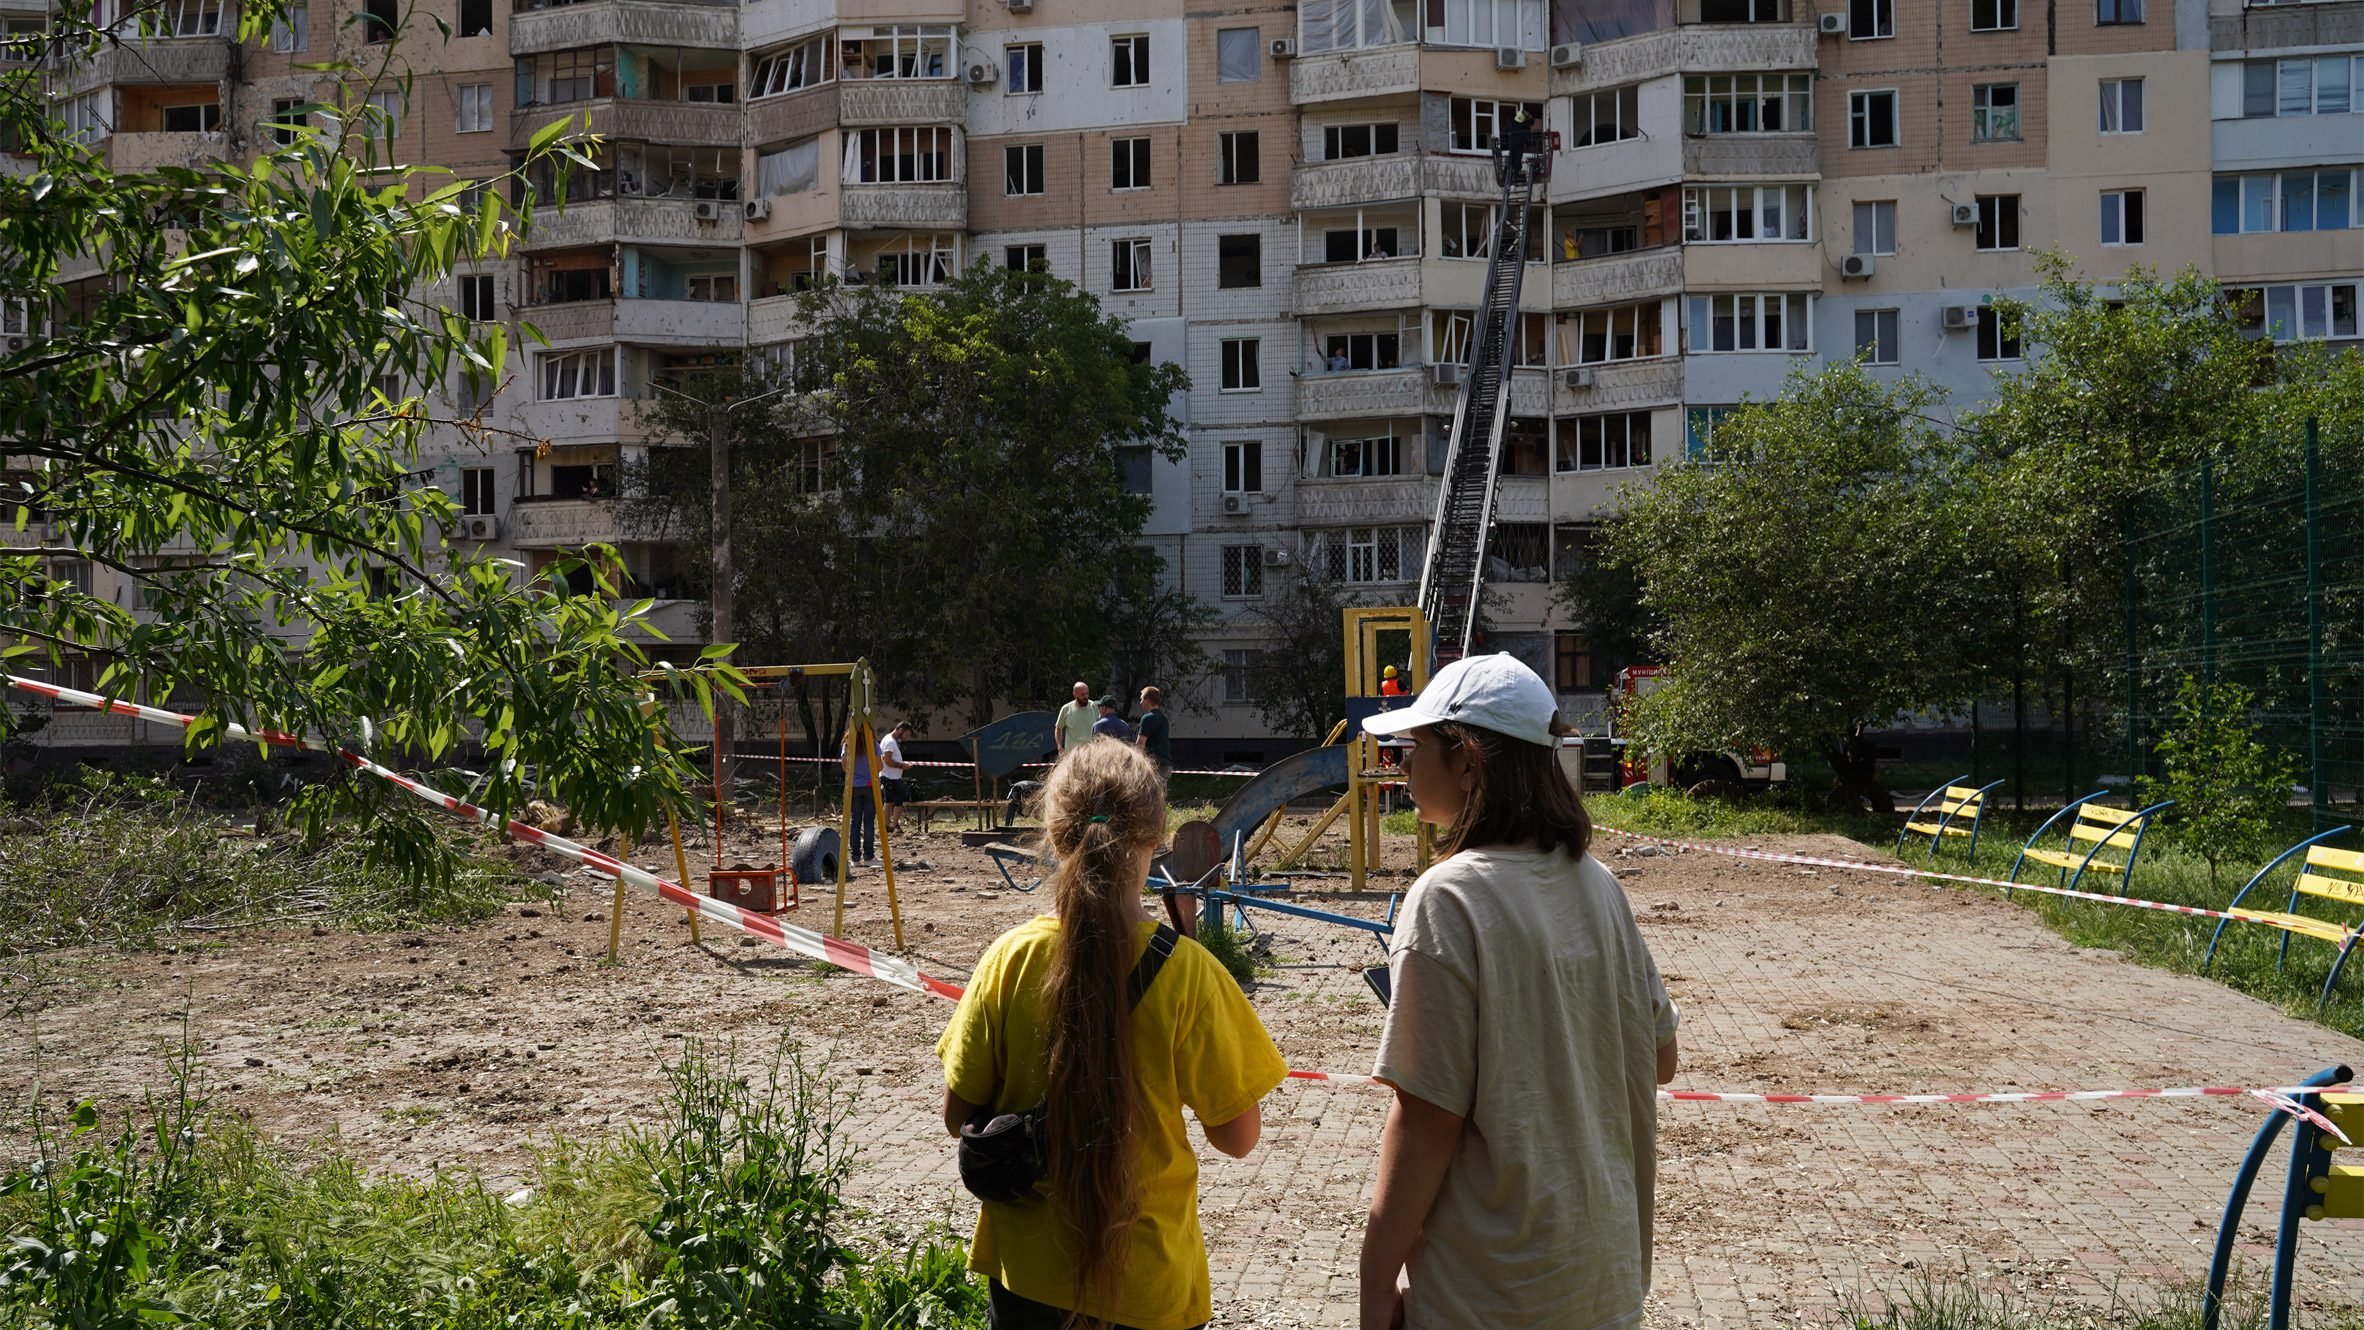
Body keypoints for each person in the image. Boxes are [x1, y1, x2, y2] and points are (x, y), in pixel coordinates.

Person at [1355, 653, 1679, 1330]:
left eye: (1415, 748)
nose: (1403, 768)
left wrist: (1375, 1282)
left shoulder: (1448, 898)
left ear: (1467, 760)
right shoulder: (1600, 886)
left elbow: (1426, 1121)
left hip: (1492, 1294)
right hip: (1602, 1281)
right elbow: (1659, 1059)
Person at [937, 741, 1290, 1330]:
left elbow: (958, 1116)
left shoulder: (1010, 959)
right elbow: (1238, 1137)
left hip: (1028, 1279)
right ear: (1156, 840)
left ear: (1054, 835)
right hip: (1149, 1282)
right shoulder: (1190, 973)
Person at [841, 731, 876, 865]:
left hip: (853, 786)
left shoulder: (847, 745)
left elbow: (845, 767)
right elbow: (879, 766)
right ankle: (868, 855)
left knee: (855, 821)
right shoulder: (872, 744)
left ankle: (855, 856)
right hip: (869, 785)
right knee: (869, 822)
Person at [879, 720, 915, 834]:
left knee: (888, 802)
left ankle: (885, 826)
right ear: (900, 730)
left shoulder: (888, 739)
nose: (906, 738)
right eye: (906, 735)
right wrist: (902, 765)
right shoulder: (890, 742)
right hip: (891, 778)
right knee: (900, 801)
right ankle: (893, 827)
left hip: (888, 776)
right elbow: (888, 760)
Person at [1133, 686, 1171, 776]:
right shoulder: (1164, 719)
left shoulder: (1147, 718)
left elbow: (1140, 744)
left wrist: (1135, 764)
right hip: (1166, 765)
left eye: (1141, 699)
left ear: (1147, 700)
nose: (1140, 702)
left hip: (1152, 766)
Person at [1056, 681, 1097, 757]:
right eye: (1082, 694)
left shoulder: (1093, 706)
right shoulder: (1066, 709)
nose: (1086, 697)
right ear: (1075, 694)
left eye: (1087, 693)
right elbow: (1058, 729)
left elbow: (1099, 727)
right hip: (1071, 755)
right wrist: (1060, 748)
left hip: (1091, 753)